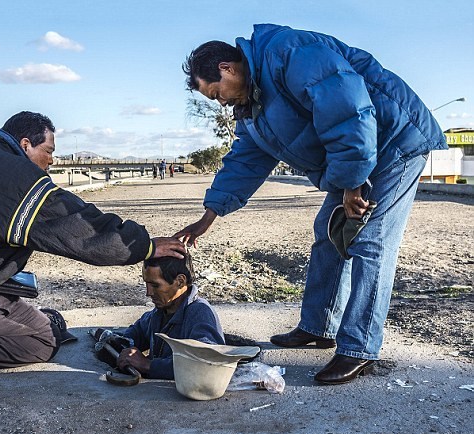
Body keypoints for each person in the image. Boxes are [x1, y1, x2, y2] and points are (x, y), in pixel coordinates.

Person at [176, 24, 447, 385]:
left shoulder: (290, 53)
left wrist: (352, 183)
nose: (221, 103)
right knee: (328, 232)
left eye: (216, 93)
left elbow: (346, 111)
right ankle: (319, 327)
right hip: (354, 154)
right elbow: (245, 160)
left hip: (394, 141)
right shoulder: (252, 106)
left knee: (370, 242)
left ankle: (359, 348)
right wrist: (209, 215)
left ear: (227, 68)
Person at [0, 111, 185, 398]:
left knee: (45, 324)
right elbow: (80, 228)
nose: (51, 161)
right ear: (25, 145)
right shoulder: (19, 179)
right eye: (49, 151)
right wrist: (144, 245)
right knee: (43, 342)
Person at [116, 253, 224, 380]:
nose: (148, 292)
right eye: (147, 284)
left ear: (180, 281)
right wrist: (120, 344)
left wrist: (148, 365)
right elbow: (135, 334)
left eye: (155, 285)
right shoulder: (160, 312)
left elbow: (206, 363)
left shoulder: (200, 314)